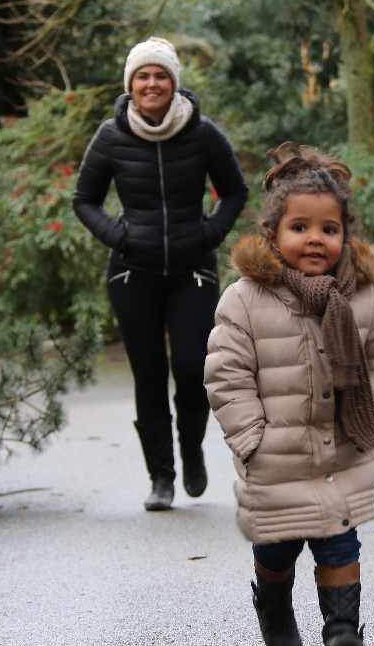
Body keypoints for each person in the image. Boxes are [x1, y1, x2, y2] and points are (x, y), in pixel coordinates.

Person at [204, 143, 374, 646]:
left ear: (345, 235)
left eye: (328, 228)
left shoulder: (362, 296)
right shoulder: (244, 299)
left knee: (340, 540)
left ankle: (343, 633)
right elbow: (226, 374)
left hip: (342, 451)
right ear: (272, 234)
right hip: (276, 455)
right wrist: (251, 437)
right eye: (300, 227)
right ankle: (272, 600)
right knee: (279, 545)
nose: (315, 238)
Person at [74, 36, 249, 512]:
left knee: (193, 369)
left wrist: (209, 234)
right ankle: (161, 478)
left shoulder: (202, 133)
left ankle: (191, 449)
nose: (151, 84)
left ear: (173, 83)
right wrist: (120, 236)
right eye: (143, 76)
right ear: (130, 85)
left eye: (160, 75)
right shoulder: (111, 136)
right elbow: (84, 199)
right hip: (133, 274)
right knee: (148, 373)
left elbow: (235, 190)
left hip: (193, 271)